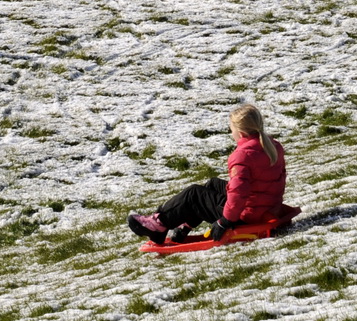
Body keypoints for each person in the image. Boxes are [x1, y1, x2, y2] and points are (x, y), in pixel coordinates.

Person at [127, 104, 296, 246]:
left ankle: (158, 225)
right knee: (213, 184)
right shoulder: (272, 145)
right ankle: (184, 226)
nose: (232, 134)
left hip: (246, 217)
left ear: (241, 133)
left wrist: (225, 222)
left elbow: (239, 194)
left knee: (194, 194)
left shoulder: (243, 155)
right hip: (266, 207)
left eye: (232, 130)